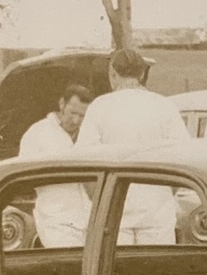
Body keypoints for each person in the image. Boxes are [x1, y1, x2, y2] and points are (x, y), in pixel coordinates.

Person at [76, 48, 189, 245]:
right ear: (143, 73)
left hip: (114, 210)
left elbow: (84, 161)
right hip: (157, 210)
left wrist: (101, 202)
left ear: (112, 74)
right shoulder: (164, 106)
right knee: (155, 271)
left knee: (115, 273)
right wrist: (164, 194)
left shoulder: (99, 107)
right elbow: (183, 157)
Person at [18, 84, 94, 247]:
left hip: (90, 221)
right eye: (73, 113)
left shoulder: (89, 134)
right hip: (56, 221)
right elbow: (23, 177)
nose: (76, 120)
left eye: (82, 116)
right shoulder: (37, 133)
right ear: (61, 104)